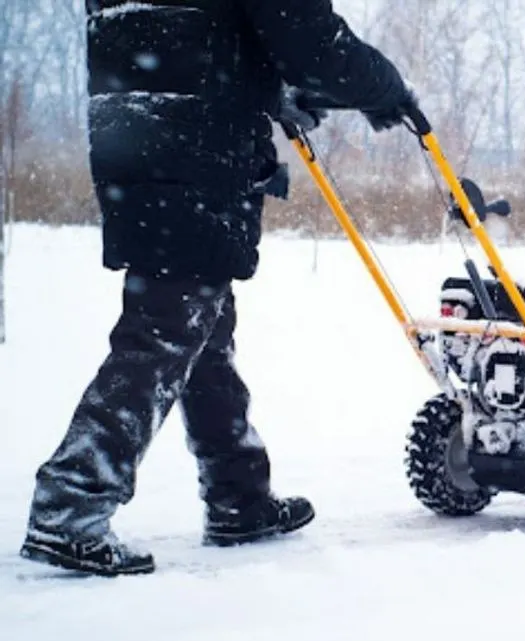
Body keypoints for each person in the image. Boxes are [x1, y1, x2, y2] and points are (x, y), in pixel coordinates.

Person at [19, 0, 417, 577]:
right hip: (196, 142)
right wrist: (383, 86)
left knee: (200, 325)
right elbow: (307, 36)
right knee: (164, 330)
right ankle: (72, 501)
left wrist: (265, 88)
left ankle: (239, 495)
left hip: (132, 132)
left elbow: (179, 28)